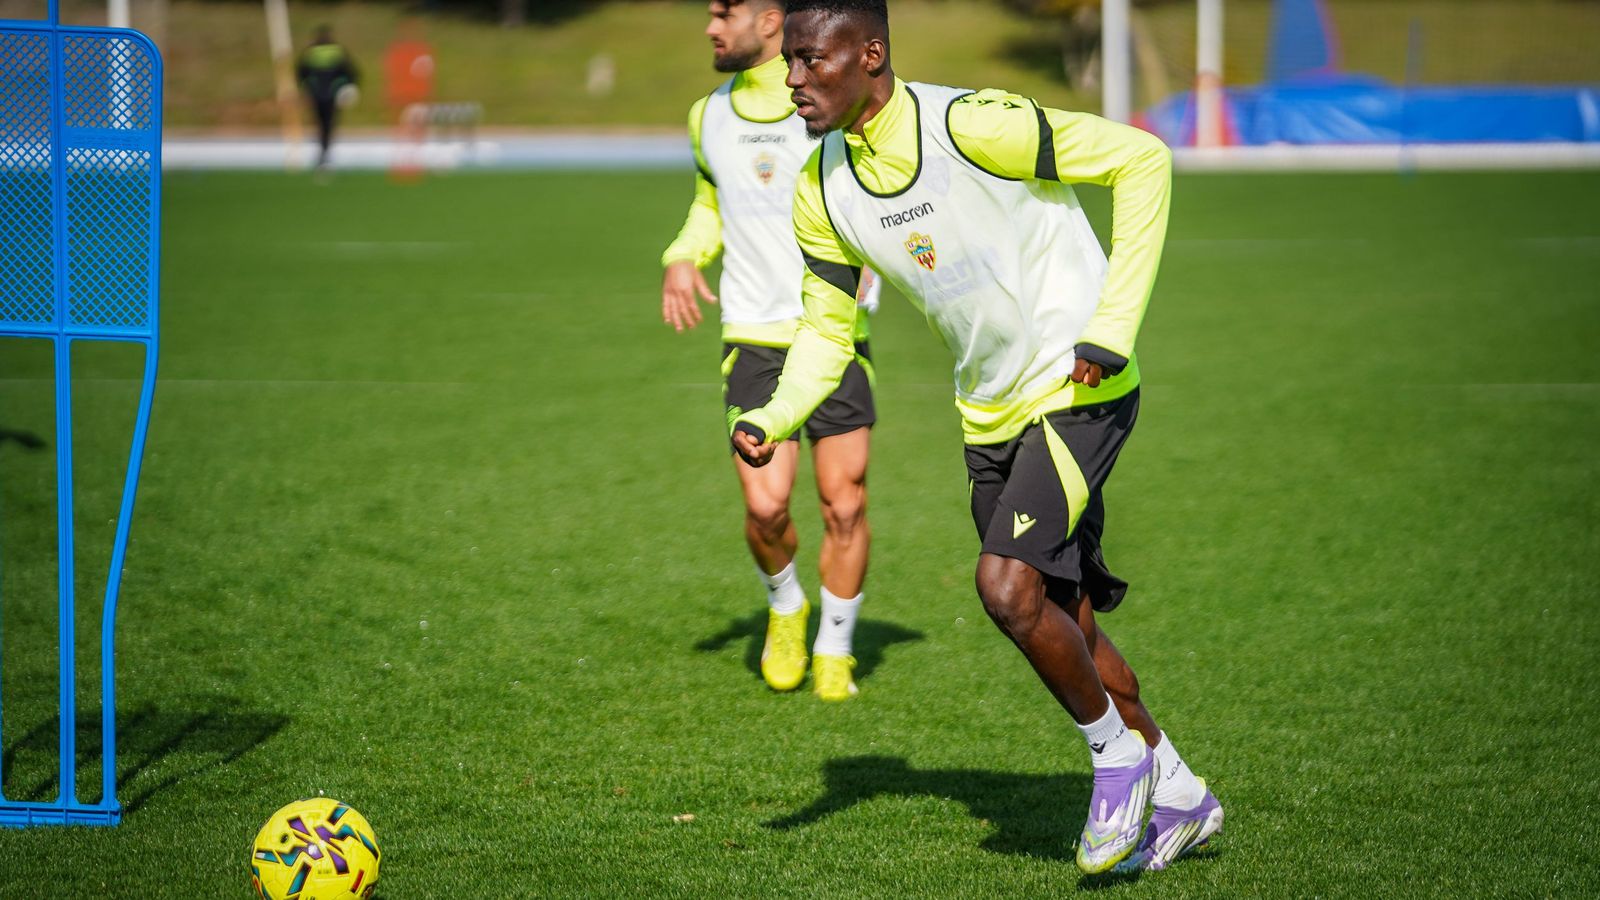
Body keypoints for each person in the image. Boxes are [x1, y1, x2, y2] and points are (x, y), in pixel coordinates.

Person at [730, 0, 1222, 874]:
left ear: (870, 54)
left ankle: (1116, 765)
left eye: (811, 62)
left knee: (1005, 588)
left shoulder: (971, 124)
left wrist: (1112, 325)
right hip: (988, 412)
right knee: (1058, 617)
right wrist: (770, 417)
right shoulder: (821, 187)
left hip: (1081, 389)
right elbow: (826, 334)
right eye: (790, 64)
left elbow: (1142, 160)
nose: (792, 80)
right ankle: (1180, 790)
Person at [660, 0, 881, 701]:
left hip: (837, 333)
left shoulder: (827, 100)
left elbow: (879, 185)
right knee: (766, 507)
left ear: (770, 17)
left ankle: (835, 648)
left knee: (844, 503)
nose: (710, 26)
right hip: (753, 335)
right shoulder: (708, 116)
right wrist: (681, 256)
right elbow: (709, 200)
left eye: (724, 12)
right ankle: (787, 605)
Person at [296, 26, 359, 171]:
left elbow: (301, 73)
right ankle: (325, 156)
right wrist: (349, 87)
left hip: (316, 95)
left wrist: (306, 89)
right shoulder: (337, 51)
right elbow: (351, 73)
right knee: (329, 126)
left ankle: (322, 156)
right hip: (332, 95)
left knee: (319, 126)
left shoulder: (310, 52)